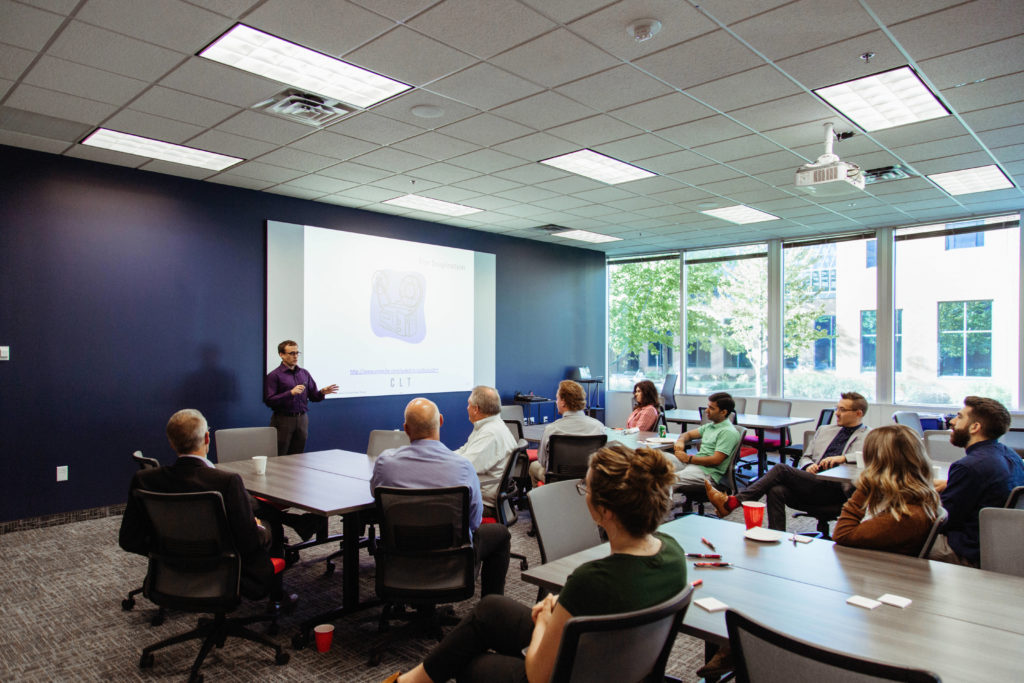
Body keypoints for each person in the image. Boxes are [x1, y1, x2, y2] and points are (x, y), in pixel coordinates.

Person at [383, 442, 687, 683]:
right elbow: (616, 595)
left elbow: (539, 676)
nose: (584, 495)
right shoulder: (672, 552)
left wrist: (544, 620)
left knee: (468, 664)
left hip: (577, 672)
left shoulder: (591, 579)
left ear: (604, 511)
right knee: (491, 607)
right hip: (613, 658)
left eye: (587, 488)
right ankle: (411, 681)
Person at [119, 409, 275, 599]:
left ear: (171, 442)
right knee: (269, 528)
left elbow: (129, 539)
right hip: (226, 570)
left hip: (170, 571)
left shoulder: (145, 480)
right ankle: (276, 594)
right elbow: (249, 542)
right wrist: (259, 528)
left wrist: (166, 551)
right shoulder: (227, 481)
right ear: (207, 438)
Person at [372, 398, 511, 597]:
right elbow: (474, 521)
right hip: (453, 559)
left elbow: (376, 499)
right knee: (500, 534)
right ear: (441, 421)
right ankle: (491, 607)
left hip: (401, 554)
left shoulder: (385, 463)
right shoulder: (463, 468)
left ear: (406, 428)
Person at [704, 392, 870, 531]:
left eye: (842, 410)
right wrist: (807, 465)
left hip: (838, 490)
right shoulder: (824, 430)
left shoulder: (869, 435)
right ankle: (777, 535)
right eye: (837, 408)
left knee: (781, 469)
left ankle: (733, 502)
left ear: (858, 413)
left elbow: (869, 458)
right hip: (813, 481)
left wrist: (844, 458)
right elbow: (806, 456)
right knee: (776, 490)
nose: (837, 413)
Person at [930, 396, 1024, 566]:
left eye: (959, 416)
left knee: (898, 540)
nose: (952, 421)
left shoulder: (967, 467)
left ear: (975, 427)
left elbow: (942, 521)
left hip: (967, 549)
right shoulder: (1012, 456)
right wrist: (950, 485)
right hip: (997, 545)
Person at [832, 424, 942, 555]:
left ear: (876, 462)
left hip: (877, 567)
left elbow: (843, 534)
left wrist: (865, 486)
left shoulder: (905, 516)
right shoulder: (907, 496)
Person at [263, 340, 338, 456]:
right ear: (281, 355)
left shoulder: (304, 373)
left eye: (297, 353)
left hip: (302, 419)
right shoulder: (274, 375)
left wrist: (322, 392)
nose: (295, 356)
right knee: (280, 455)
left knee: (298, 456)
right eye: (291, 353)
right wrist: (290, 393)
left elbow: (313, 397)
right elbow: (269, 400)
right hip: (283, 420)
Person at [529, 380, 605, 485]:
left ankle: (539, 500)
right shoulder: (598, 427)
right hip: (588, 480)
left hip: (557, 481)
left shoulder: (552, 429)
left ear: (563, 401)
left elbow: (542, 461)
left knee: (533, 466)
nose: (556, 402)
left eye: (557, 398)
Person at [456, 386, 516, 513]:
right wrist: (442, 457)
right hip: (485, 491)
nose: (467, 408)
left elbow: (465, 467)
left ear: (476, 409)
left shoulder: (490, 433)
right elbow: (464, 451)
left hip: (483, 500)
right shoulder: (489, 426)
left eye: (468, 404)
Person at [672, 392, 741, 487]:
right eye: (708, 407)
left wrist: (688, 458)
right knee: (653, 464)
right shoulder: (710, 426)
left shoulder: (728, 432)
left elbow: (716, 460)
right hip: (694, 464)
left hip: (708, 472)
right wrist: (680, 441)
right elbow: (687, 434)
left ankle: (661, 501)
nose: (706, 411)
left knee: (664, 481)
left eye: (711, 408)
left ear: (723, 412)